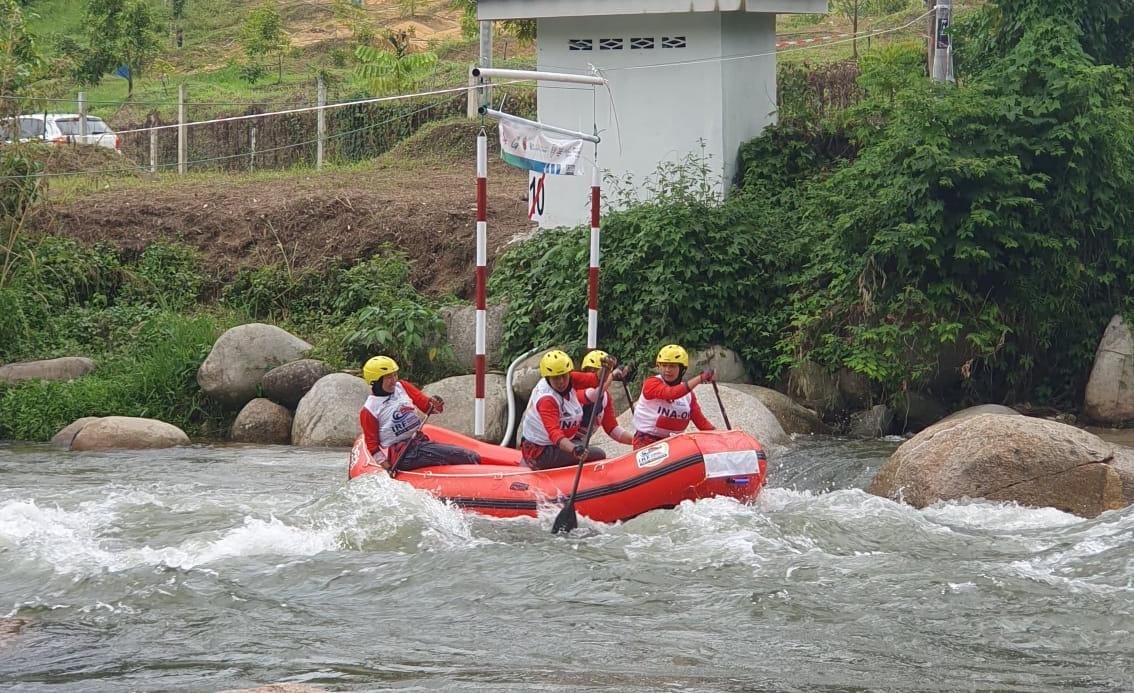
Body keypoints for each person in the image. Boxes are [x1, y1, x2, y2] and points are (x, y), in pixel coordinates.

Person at [359, 355, 480, 472]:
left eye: (395, 375)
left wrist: (435, 404)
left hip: (419, 442)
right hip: (403, 454)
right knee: (468, 456)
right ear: (376, 381)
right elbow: (372, 446)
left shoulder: (402, 387)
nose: (394, 380)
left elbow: (427, 407)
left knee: (468, 455)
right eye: (388, 377)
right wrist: (387, 467)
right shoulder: (369, 410)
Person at [520, 349, 607, 470]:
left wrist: (608, 368)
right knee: (599, 454)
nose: (561, 382)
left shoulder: (571, 378)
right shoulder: (547, 399)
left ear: (568, 373)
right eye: (556, 378)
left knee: (584, 447)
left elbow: (596, 379)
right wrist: (574, 449)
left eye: (564, 376)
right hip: (542, 451)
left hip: (552, 444)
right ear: (548, 378)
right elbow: (555, 434)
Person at [631, 344, 715, 449]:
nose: (667, 370)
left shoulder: (688, 396)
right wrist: (700, 378)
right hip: (646, 441)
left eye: (672, 366)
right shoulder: (651, 383)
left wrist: (721, 436)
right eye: (664, 365)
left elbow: (702, 423)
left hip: (673, 444)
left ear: (682, 369)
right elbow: (671, 393)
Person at [575, 349, 633, 446]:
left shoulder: (605, 397)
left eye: (605, 373)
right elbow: (594, 395)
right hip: (564, 443)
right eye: (591, 371)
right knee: (598, 453)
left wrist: (635, 441)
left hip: (580, 444)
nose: (598, 376)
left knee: (598, 453)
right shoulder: (576, 391)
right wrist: (612, 375)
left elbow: (612, 429)